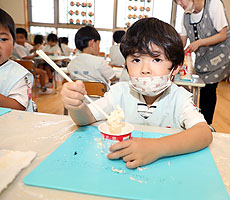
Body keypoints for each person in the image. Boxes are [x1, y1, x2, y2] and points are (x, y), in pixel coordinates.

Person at [61, 18, 212, 169]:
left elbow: (204, 134)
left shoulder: (179, 98)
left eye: (157, 59)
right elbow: (85, 119)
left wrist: (157, 148)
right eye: (136, 60)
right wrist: (77, 107)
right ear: (125, 63)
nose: (145, 69)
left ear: (176, 67)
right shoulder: (118, 93)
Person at [175, 0, 230, 124]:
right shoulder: (186, 15)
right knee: (200, 87)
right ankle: (197, 120)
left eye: (181, 0)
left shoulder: (213, 4)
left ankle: (206, 124)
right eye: (176, 1)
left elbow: (222, 35)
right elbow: (183, 39)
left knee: (209, 88)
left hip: (220, 54)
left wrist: (199, 42)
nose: (179, 3)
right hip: (203, 57)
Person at [0, 8, 34, 111]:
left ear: (13, 44)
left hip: (15, 123)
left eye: (3, 39)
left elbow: (19, 106)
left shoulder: (19, 75)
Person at [12, 29, 50, 94]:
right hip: (24, 67)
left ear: (26, 38)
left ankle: (40, 84)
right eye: (16, 37)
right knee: (43, 72)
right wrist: (36, 54)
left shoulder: (25, 45)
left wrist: (34, 49)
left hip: (28, 66)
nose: (18, 40)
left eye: (21, 37)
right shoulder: (17, 47)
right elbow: (25, 57)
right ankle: (43, 88)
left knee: (41, 67)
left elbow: (29, 51)